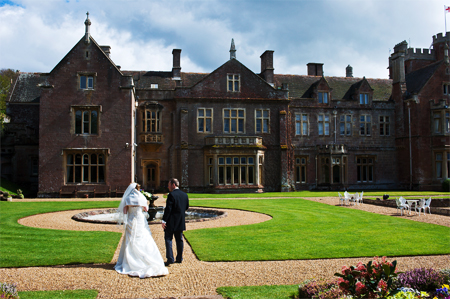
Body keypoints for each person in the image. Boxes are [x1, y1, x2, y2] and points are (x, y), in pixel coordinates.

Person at [115, 183, 168, 278]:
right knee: (144, 239)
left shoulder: (127, 199)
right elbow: (146, 209)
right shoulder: (142, 198)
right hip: (140, 220)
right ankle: (147, 260)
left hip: (131, 220)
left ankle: (131, 262)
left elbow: (124, 212)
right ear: (139, 189)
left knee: (131, 240)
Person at [162, 178, 189, 266]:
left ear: (173, 185)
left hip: (171, 222)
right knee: (179, 240)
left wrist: (164, 220)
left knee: (168, 239)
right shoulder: (185, 195)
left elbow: (168, 209)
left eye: (169, 185)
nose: (168, 187)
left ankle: (170, 259)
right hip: (180, 221)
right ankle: (179, 258)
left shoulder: (171, 195)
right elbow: (186, 207)